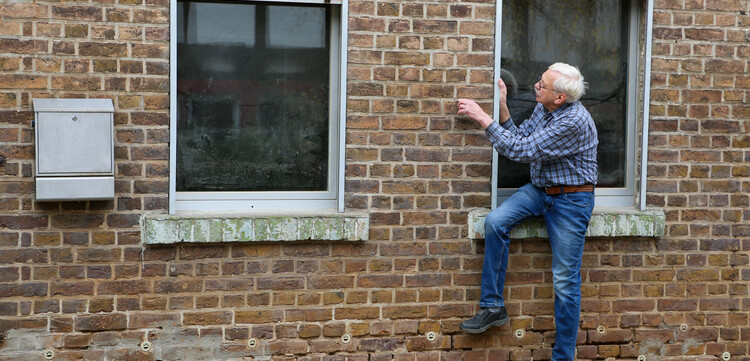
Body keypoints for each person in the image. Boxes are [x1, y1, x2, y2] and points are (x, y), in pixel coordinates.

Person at [456, 62, 598, 361]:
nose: (536, 86)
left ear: (560, 97)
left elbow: (521, 152)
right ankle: (493, 307)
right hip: (540, 190)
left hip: (571, 201)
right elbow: (522, 138)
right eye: (539, 81)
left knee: (564, 280)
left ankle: (563, 357)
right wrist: (503, 108)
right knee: (495, 222)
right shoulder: (545, 108)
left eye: (542, 85)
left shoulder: (572, 122)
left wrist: (483, 118)